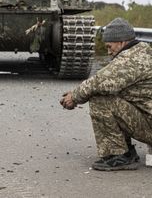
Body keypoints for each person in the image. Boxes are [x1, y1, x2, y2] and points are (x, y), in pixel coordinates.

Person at [60, 17, 152, 171]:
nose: (109, 53)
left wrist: (74, 97)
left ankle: (118, 156)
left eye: (110, 47)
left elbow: (99, 82)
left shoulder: (131, 59)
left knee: (99, 98)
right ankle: (126, 151)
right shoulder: (144, 51)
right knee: (111, 93)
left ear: (121, 42)